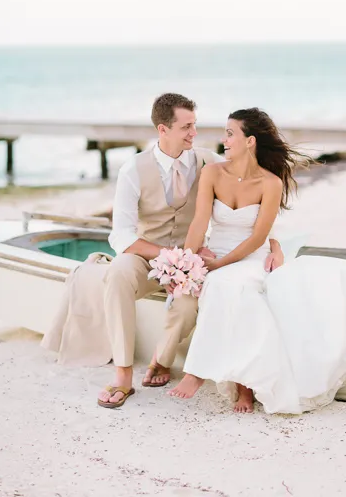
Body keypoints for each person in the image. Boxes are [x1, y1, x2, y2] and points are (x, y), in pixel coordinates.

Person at [167, 108, 346, 414]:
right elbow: (199, 223)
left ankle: (201, 373)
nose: (224, 139)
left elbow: (257, 238)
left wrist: (219, 265)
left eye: (230, 133)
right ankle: (242, 386)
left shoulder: (270, 183)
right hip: (217, 256)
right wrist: (187, 261)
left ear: (249, 141)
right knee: (232, 290)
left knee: (236, 286)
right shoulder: (212, 173)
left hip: (251, 258)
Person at [97, 94, 286, 408]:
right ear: (163, 129)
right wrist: (170, 260)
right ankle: (122, 376)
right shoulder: (133, 168)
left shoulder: (207, 161)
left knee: (187, 306)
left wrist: (274, 245)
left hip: (195, 260)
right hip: (146, 256)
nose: (194, 134)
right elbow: (121, 236)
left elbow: (254, 207)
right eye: (186, 127)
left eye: (194, 126)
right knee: (117, 273)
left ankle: (162, 360)